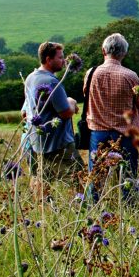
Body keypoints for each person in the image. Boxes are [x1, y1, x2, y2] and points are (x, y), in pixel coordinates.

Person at [84, 33, 139, 197]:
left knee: (96, 176)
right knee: (127, 176)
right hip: (125, 134)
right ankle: (129, 207)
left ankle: (93, 206)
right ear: (124, 53)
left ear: (103, 51)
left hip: (98, 132)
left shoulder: (91, 73)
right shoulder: (130, 76)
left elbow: (85, 94)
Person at [22, 41, 83, 180]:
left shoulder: (30, 78)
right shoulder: (52, 82)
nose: (64, 61)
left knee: (42, 184)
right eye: (60, 57)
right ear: (48, 59)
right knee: (79, 180)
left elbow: (24, 113)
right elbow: (66, 113)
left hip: (37, 144)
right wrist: (71, 101)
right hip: (59, 145)